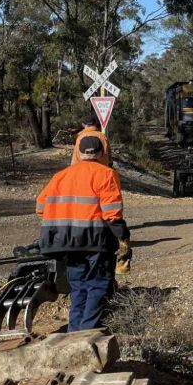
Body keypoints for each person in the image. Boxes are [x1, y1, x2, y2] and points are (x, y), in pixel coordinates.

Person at [36, 135, 131, 331]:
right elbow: (112, 212)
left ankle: (74, 330)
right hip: (96, 240)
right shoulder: (106, 174)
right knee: (98, 285)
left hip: (68, 242)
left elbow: (40, 207)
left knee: (78, 286)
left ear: (78, 154)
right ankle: (88, 330)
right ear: (101, 153)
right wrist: (123, 237)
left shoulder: (60, 176)